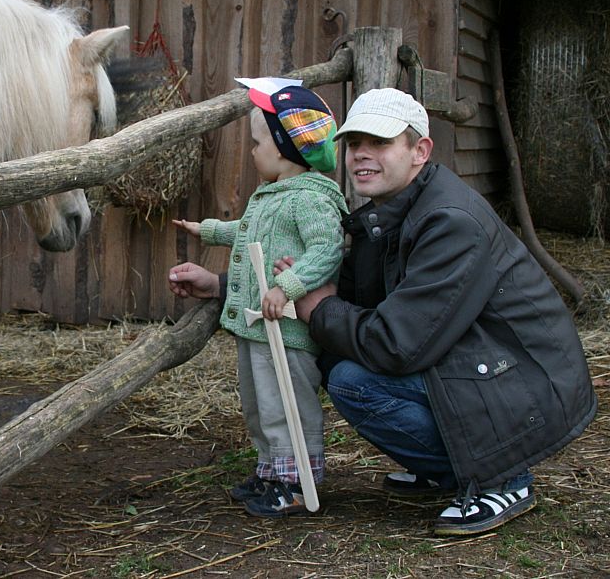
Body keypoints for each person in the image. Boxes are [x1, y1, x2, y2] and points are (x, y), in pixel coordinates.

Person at [169, 87, 597, 535]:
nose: (361, 154)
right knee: (338, 357)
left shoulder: (450, 222)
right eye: (355, 143)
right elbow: (354, 293)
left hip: (524, 387)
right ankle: (445, 466)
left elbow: (397, 344)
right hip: (478, 364)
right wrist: (222, 286)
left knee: (353, 381)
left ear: (420, 151)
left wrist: (319, 307)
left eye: (380, 142)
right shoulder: (389, 211)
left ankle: (501, 477)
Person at [172, 85, 347, 518]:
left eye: (257, 143)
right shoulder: (275, 194)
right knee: (261, 404)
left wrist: (287, 286)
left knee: (288, 404)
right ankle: (272, 471)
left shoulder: (311, 198)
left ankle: (297, 484)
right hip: (259, 327)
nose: (252, 152)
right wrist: (208, 230)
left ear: (285, 148)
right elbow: (251, 232)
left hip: (287, 330)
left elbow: (327, 248)